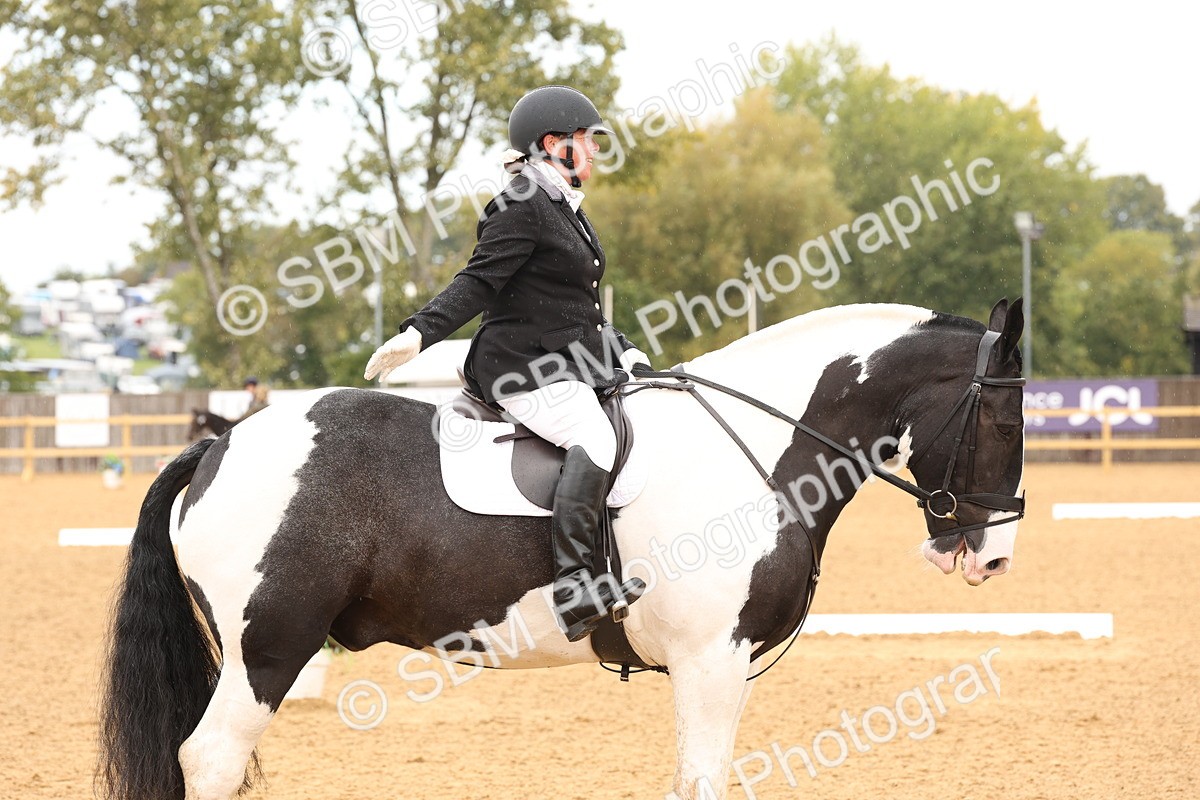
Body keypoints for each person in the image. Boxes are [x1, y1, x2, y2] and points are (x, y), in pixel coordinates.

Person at [364, 85, 650, 642]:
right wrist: (418, 333)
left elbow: (574, 308)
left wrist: (627, 351)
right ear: (554, 144)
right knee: (595, 440)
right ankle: (574, 590)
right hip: (521, 367)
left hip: (565, 360)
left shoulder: (565, 208)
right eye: (586, 141)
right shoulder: (520, 203)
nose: (593, 151)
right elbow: (478, 282)